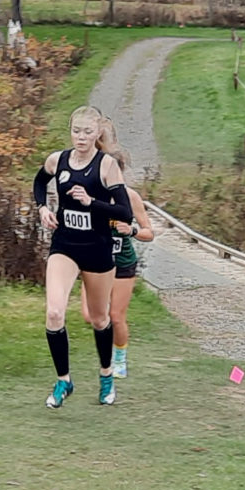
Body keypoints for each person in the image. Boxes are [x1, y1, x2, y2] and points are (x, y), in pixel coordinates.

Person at [33, 105, 132, 408]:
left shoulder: (106, 166)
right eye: (76, 131)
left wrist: (91, 202)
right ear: (70, 131)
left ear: (97, 132)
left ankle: (106, 376)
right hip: (65, 245)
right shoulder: (58, 160)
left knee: (100, 319)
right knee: (53, 313)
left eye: (87, 132)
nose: (81, 137)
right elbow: (39, 183)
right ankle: (64, 381)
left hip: (98, 249)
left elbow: (124, 212)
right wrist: (43, 208)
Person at [81, 150, 154, 379]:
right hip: (94, 261)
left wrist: (132, 230)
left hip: (122, 263)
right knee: (89, 315)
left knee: (115, 315)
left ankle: (119, 358)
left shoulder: (130, 197)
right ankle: (108, 351)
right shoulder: (89, 195)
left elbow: (149, 232)